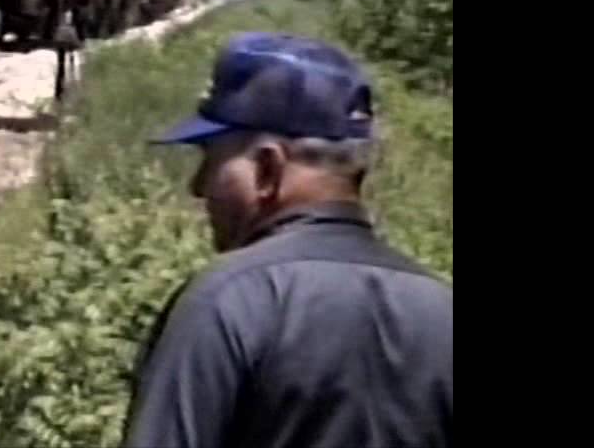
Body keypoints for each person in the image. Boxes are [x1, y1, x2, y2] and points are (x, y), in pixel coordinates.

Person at [122, 31, 452, 448]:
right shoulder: (441, 307)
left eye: (212, 161)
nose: (198, 186)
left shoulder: (227, 304)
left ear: (267, 168)